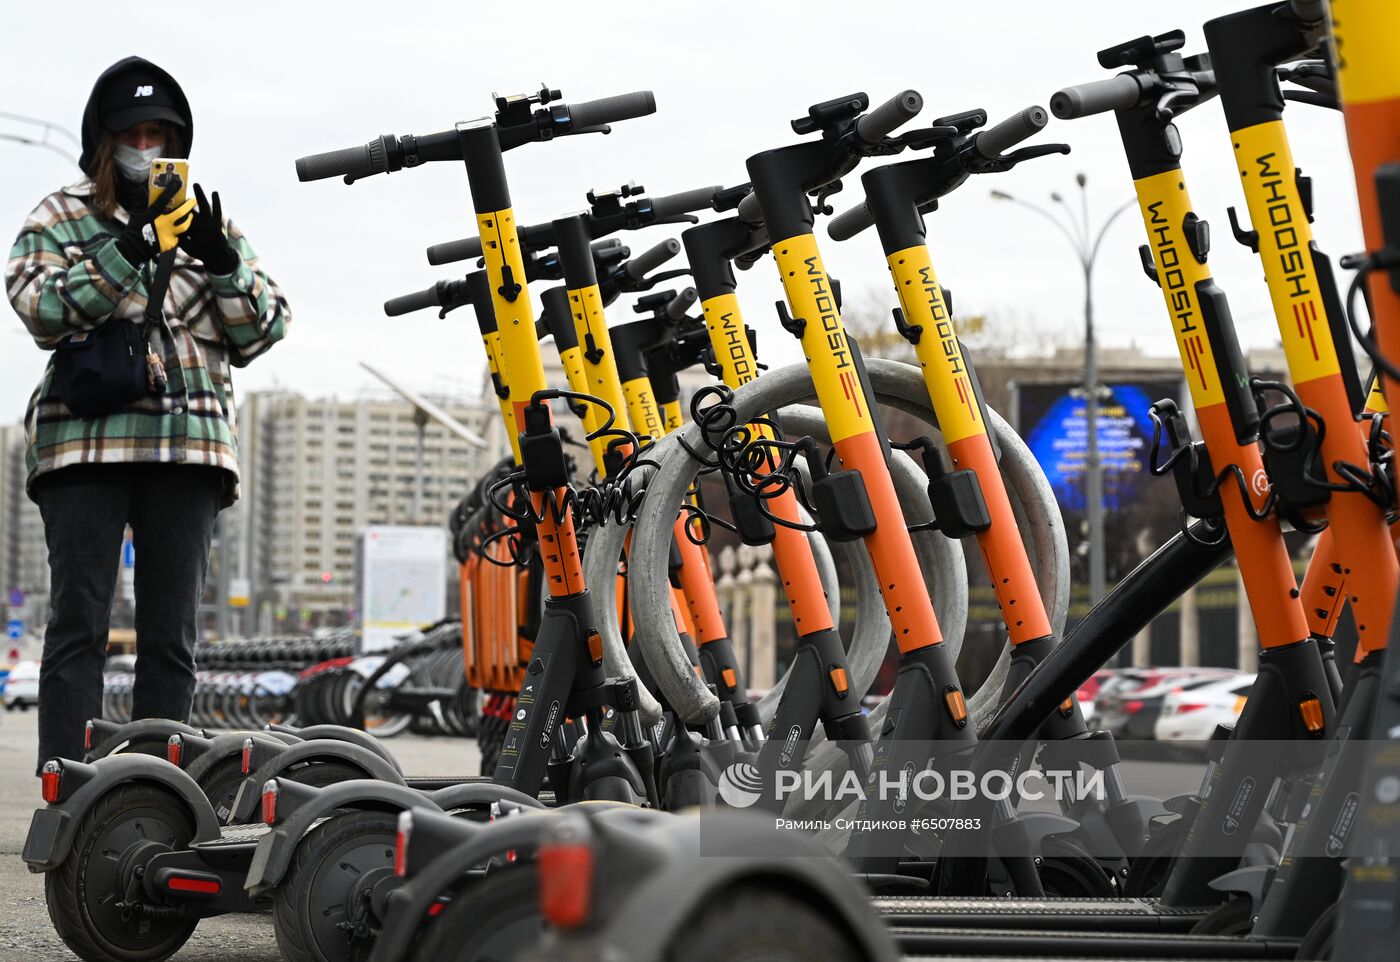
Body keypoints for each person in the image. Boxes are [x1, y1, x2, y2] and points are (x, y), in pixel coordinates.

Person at [5, 57, 291, 771]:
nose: (147, 145)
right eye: (134, 132)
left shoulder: (208, 220)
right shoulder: (60, 214)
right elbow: (38, 307)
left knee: (172, 636)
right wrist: (130, 250)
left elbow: (265, 329)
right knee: (78, 625)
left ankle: (157, 796)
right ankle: (65, 789)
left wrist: (220, 258)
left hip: (187, 449)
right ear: (104, 139)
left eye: (161, 132)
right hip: (84, 445)